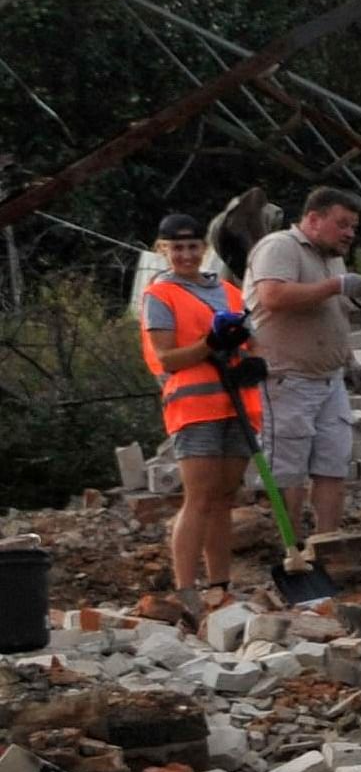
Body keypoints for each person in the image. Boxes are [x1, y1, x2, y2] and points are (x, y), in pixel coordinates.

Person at [139, 214, 264, 607]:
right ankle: (185, 587)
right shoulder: (160, 296)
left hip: (237, 403)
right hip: (194, 406)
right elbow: (167, 357)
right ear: (164, 251)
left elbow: (251, 338)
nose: (186, 255)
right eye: (177, 248)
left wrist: (253, 360)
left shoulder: (228, 291)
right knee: (199, 497)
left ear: (203, 249)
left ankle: (220, 584)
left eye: (193, 247)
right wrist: (210, 343)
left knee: (225, 497)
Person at [242, 187, 361, 538]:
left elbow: (333, 316)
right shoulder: (279, 247)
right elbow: (273, 296)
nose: (350, 233)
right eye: (342, 224)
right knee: (289, 471)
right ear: (314, 219)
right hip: (287, 379)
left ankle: (327, 542)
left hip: (329, 379)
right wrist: (336, 285)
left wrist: (349, 362)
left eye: (354, 227)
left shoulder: (332, 257)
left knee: (332, 465)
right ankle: (293, 548)